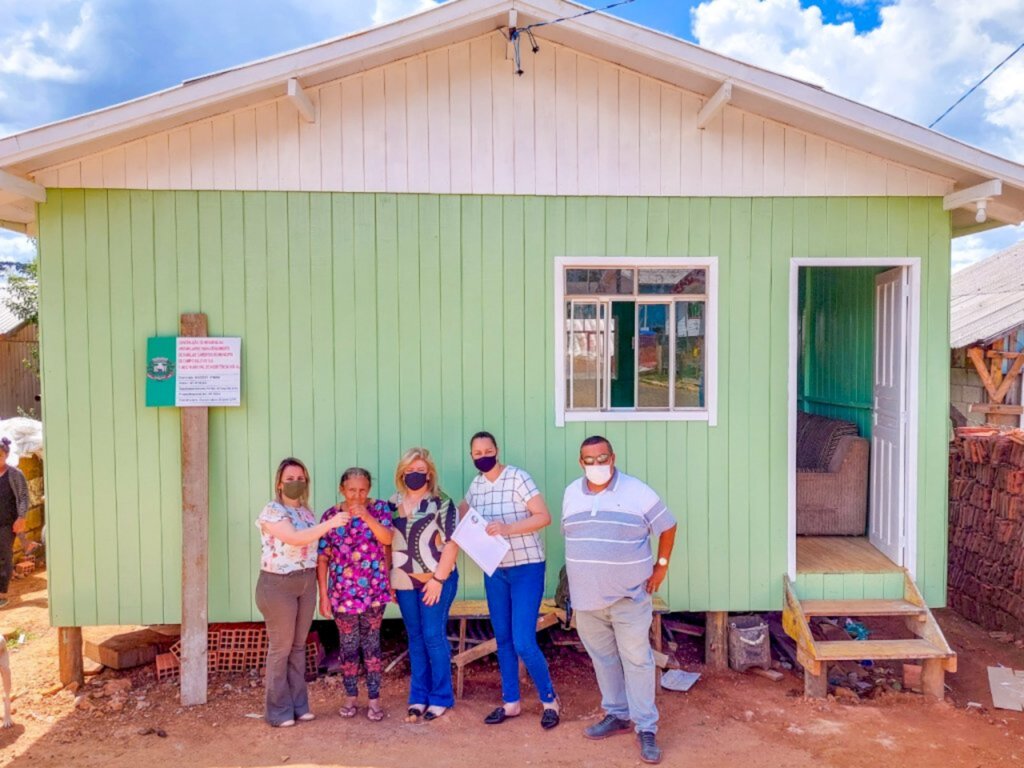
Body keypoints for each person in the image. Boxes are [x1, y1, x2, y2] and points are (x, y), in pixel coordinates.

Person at [561, 435, 678, 765]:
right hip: (587, 601)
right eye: (589, 459)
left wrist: (661, 567)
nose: (596, 465)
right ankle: (617, 714)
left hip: (629, 597)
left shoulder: (638, 491)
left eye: (602, 458)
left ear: (612, 458)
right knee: (604, 659)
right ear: (580, 462)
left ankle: (646, 728)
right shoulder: (571, 493)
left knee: (637, 660)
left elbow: (668, 527)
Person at [461, 431, 559, 729]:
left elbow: (543, 517)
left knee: (523, 640)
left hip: (526, 566)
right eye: (477, 453)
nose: (483, 456)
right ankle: (511, 702)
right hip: (495, 569)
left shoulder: (518, 477)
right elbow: (464, 515)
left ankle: (550, 700)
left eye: (487, 450)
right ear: (472, 457)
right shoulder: (476, 486)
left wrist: (508, 528)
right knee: (502, 637)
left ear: (497, 450)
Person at [255, 457, 347, 728]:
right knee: (281, 649)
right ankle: (278, 711)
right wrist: (330, 524)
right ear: (279, 483)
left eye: (300, 478)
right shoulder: (272, 511)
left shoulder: (307, 512)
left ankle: (299, 706)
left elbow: (313, 546)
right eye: (290, 479)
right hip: (278, 586)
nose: (296, 483)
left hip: (304, 583)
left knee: (297, 647)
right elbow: (294, 537)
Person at [388, 447, 459, 722]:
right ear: (401, 473)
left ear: (429, 474)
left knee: (433, 635)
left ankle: (441, 696)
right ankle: (418, 696)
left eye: (420, 471)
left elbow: (453, 542)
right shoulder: (391, 503)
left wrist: (438, 580)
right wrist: (388, 579)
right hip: (405, 581)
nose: (415, 475)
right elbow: (386, 541)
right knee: (415, 638)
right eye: (410, 470)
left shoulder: (441, 501)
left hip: (436, 579)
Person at [317, 467, 393, 721]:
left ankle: (374, 700)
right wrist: (323, 595)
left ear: (369, 490)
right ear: (342, 490)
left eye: (362, 490)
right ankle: (350, 697)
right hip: (342, 593)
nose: (357, 496)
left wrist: (368, 517)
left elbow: (387, 540)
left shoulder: (380, 509)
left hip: (373, 591)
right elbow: (323, 559)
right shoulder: (331, 516)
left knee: (372, 646)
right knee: (348, 648)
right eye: (351, 490)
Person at [0, 438, 29, 609]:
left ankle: (3, 594)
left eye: (1, 455)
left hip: (8, 523)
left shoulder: (15, 474)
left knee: (4, 556)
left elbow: (24, 496)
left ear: (7, 455)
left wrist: (22, 517)